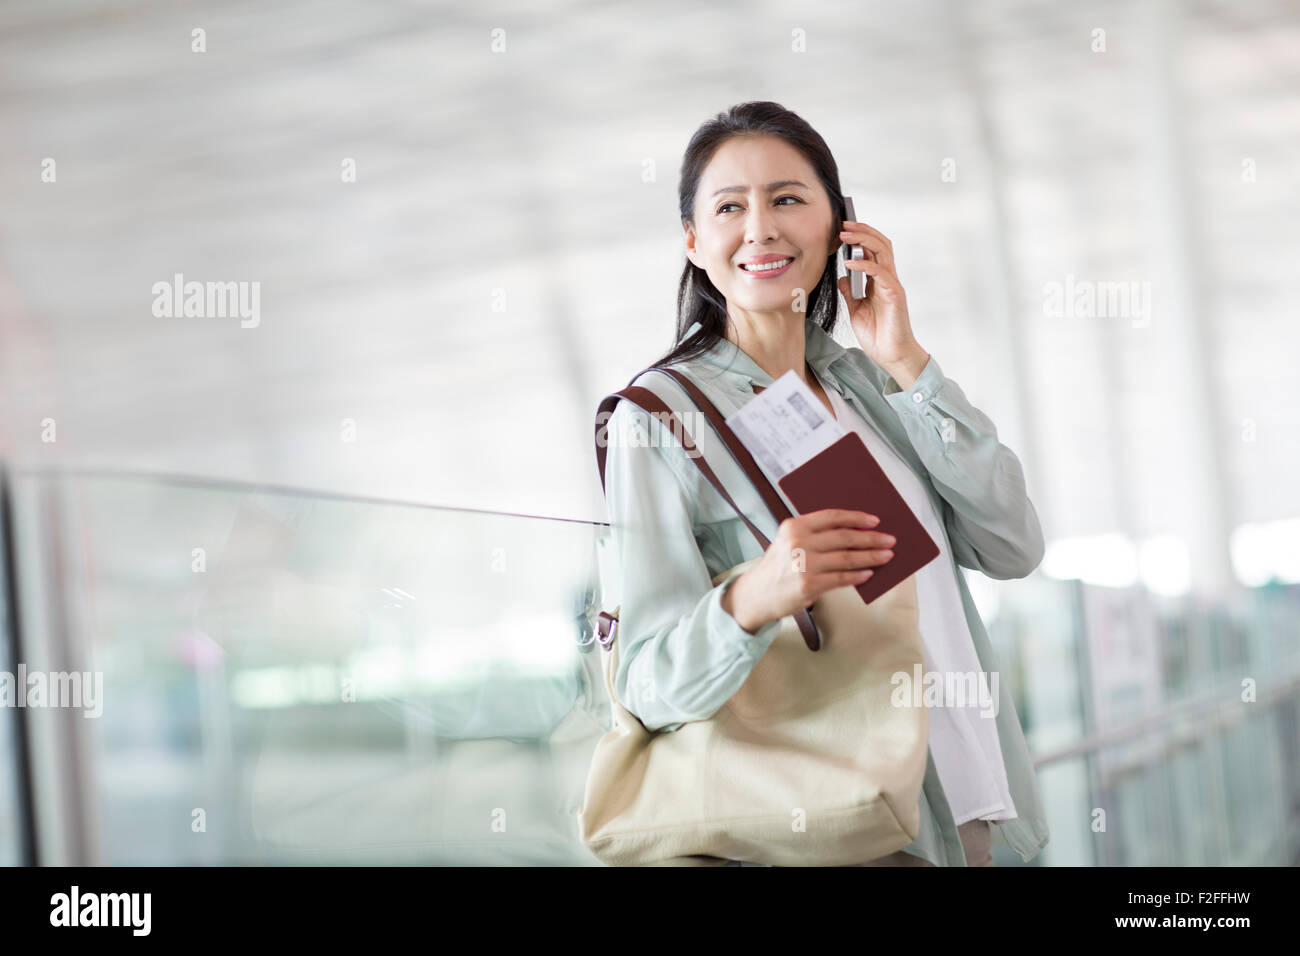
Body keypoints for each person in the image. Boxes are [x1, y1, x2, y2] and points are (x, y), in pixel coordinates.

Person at [599, 101, 1050, 866]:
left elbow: (1013, 544)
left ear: (841, 222)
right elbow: (644, 680)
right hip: (846, 826)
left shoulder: (868, 387)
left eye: (787, 199)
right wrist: (754, 597)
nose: (761, 229)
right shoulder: (663, 417)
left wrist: (908, 362)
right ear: (693, 239)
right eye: (730, 207)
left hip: (969, 808)